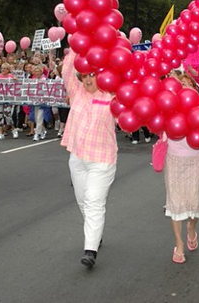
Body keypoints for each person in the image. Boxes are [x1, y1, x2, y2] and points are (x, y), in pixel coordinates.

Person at [60, 51, 117, 269]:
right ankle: (95, 232)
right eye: (84, 75)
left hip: (102, 160)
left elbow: (126, 117)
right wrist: (79, 42)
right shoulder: (76, 91)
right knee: (83, 201)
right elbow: (67, 69)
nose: (88, 79)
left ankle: (90, 250)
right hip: (77, 158)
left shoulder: (112, 95)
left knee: (94, 201)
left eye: (92, 74)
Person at [163, 73, 199, 264]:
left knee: (193, 201)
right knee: (174, 201)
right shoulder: (168, 108)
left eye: (188, 85)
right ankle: (179, 244)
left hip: (194, 159)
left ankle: (191, 228)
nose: (185, 88)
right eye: (181, 84)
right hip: (173, 159)